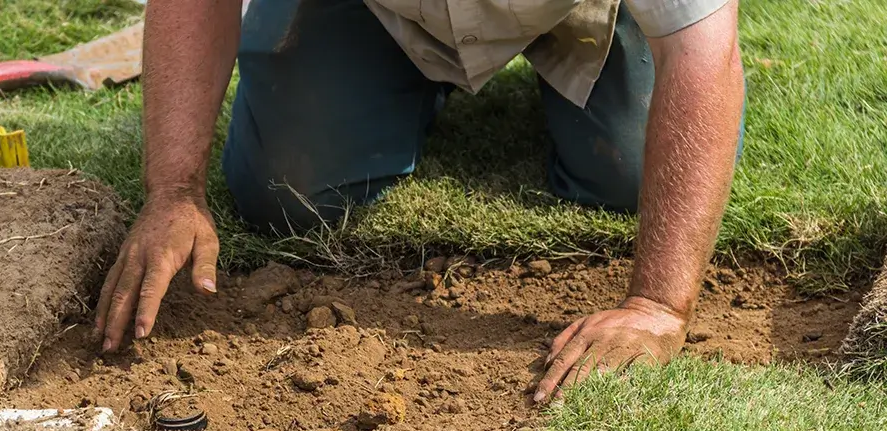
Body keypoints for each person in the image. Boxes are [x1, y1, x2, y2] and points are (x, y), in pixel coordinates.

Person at [95, 0, 745, 404]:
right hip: (376, 10)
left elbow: (700, 50)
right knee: (286, 191)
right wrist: (174, 190)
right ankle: (385, 77)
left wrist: (658, 304)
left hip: (568, 6)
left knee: (631, 178)